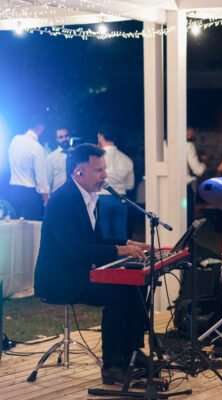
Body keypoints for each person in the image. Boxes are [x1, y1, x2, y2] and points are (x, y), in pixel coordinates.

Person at [33, 144, 149, 384]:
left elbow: (95, 242)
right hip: (60, 278)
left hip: (79, 272)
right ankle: (112, 366)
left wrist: (127, 243)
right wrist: (119, 250)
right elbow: (75, 249)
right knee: (119, 294)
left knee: (136, 284)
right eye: (99, 170)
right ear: (78, 172)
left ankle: (131, 353)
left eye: (104, 169)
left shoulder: (90, 197)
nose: (105, 175)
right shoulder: (63, 200)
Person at [97, 130, 135, 241]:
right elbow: (130, 185)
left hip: (101, 199)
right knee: (121, 239)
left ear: (101, 136)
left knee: (102, 238)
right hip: (121, 200)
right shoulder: (126, 159)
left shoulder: (98, 157)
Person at [7, 123, 50, 220]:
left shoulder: (15, 140)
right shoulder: (37, 147)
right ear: (41, 127)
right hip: (29, 194)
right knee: (30, 227)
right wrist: (46, 198)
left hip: (13, 190)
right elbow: (40, 177)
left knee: (14, 225)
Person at [186, 127, 207, 227]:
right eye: (189, 133)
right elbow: (198, 170)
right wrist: (203, 162)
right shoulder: (188, 145)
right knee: (186, 217)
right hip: (184, 189)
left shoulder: (163, 144)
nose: (190, 136)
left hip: (165, 187)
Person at [45, 128, 71, 194]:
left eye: (66, 136)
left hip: (75, 194)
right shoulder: (50, 158)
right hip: (58, 194)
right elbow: (47, 181)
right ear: (56, 139)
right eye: (61, 137)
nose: (64, 139)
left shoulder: (77, 154)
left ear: (69, 137)